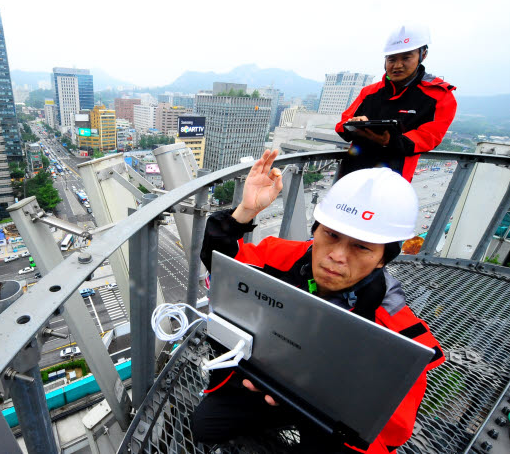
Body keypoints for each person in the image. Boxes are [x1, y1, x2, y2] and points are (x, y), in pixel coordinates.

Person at [192, 150, 445, 453]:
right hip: (265, 382)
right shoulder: (282, 257)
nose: (336, 256)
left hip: (327, 417)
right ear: (316, 232)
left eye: (361, 247)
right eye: (331, 235)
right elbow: (224, 265)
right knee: (205, 426)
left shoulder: (396, 334)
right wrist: (245, 211)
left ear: (382, 260)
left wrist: (314, 405)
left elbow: (389, 431)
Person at [335, 25, 457, 182]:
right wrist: (352, 125)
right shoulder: (370, 92)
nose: (397, 65)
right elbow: (341, 126)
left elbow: (430, 136)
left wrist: (391, 141)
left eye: (406, 58)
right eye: (391, 59)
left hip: (394, 178)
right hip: (352, 173)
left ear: (423, 55)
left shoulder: (438, 95)